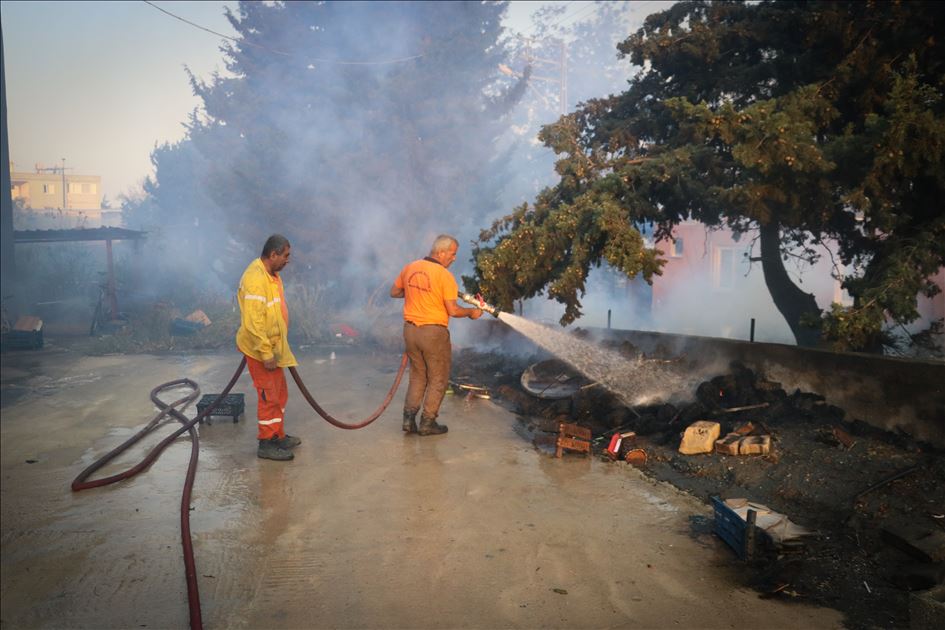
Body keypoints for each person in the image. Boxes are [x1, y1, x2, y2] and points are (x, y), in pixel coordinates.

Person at [391, 234, 482, 436]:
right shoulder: (444, 276)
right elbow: (453, 310)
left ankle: (408, 419)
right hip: (433, 333)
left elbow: (394, 292)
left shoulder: (410, 267)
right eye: (452, 253)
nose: (454, 258)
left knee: (418, 376)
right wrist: (471, 312)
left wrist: (417, 293)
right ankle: (428, 422)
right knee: (438, 378)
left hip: (410, 331)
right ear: (440, 252)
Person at [236, 234, 301, 461]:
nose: (288, 260)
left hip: (273, 347)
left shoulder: (271, 275)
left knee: (280, 393)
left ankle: (277, 435)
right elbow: (253, 323)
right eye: (285, 255)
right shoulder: (255, 279)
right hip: (260, 350)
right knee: (268, 395)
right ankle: (266, 443)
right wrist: (265, 353)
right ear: (273, 254)